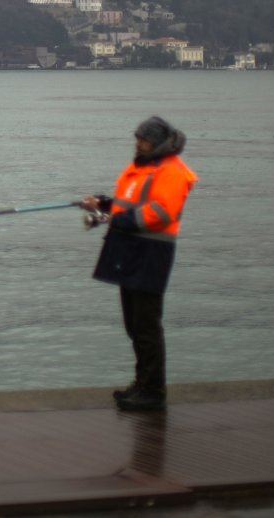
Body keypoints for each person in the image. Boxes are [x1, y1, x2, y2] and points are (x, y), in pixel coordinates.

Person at [82, 116, 199, 412]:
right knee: (134, 323)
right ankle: (142, 384)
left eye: (143, 139)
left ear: (157, 143)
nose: (138, 143)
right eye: (137, 138)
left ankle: (153, 391)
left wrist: (113, 218)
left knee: (146, 324)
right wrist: (103, 204)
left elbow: (161, 211)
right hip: (131, 248)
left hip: (151, 251)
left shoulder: (172, 171)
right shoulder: (145, 167)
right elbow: (131, 203)